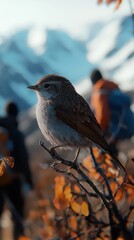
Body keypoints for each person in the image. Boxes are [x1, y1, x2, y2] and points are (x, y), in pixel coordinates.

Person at [0, 101, 33, 240]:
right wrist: (28, 181)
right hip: (13, 179)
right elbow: (23, 158)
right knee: (18, 215)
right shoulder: (14, 132)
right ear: (16, 113)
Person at [90, 69, 134, 155]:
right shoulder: (112, 87)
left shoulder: (99, 93)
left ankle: (118, 165)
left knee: (103, 151)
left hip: (119, 131)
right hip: (130, 126)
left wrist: (98, 132)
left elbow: (102, 115)